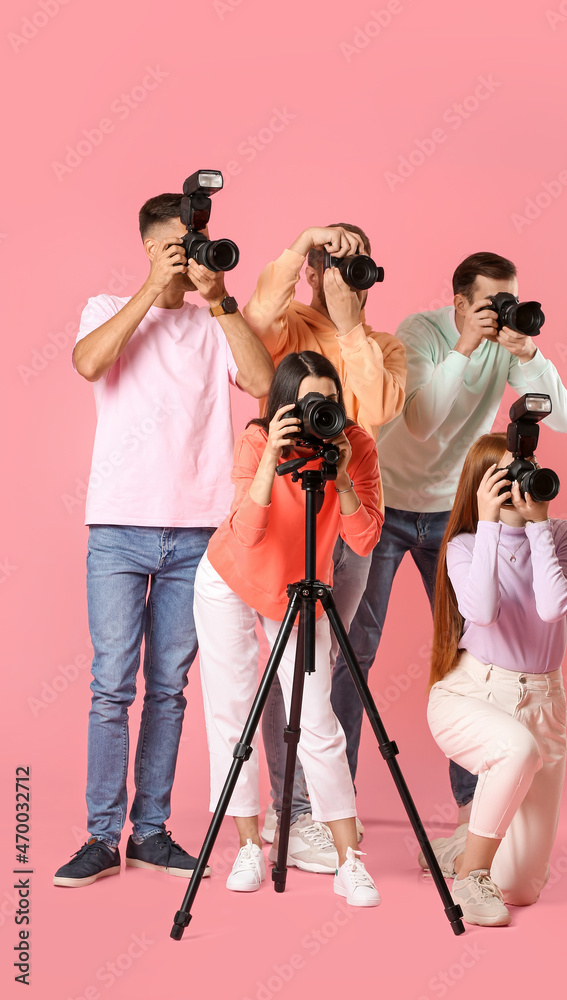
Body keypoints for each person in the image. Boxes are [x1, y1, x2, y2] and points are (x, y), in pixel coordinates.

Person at [53, 192, 274, 888]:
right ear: (150, 245)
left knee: (170, 689)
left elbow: (264, 382)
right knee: (111, 684)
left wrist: (222, 301)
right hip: (119, 525)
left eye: (199, 238)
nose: (191, 252)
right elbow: (89, 363)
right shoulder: (105, 306)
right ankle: (99, 837)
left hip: (199, 532)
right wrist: (151, 288)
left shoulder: (216, 321)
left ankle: (151, 832)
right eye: (178, 243)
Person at [333, 251, 567, 826]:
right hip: (388, 504)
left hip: (451, 512)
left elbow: (562, 417)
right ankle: (332, 802)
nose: (501, 312)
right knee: (355, 649)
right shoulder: (425, 333)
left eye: (508, 299)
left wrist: (531, 355)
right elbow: (421, 421)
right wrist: (466, 345)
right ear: (461, 303)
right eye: (490, 304)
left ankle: (474, 807)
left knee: (472, 652)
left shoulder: (506, 342)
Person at [243, 225, 406, 871]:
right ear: (311, 270)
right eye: (330, 263)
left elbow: (374, 408)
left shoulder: (384, 345)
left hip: (351, 512)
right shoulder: (291, 326)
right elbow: (254, 319)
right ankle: (290, 807)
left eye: (355, 261)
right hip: (289, 516)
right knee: (291, 660)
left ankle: (327, 801)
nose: (344, 272)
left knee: (341, 662)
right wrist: (302, 242)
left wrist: (350, 325)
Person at [194, 351, 383, 906]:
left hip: (299, 589)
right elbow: (246, 535)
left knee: (318, 718)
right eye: (304, 406)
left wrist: (342, 474)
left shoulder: (356, 446)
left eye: (326, 402)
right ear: (282, 406)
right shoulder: (258, 439)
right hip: (231, 577)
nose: (317, 414)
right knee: (232, 712)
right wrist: (270, 460)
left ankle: (350, 861)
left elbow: (365, 540)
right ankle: (252, 843)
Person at [418, 432, 567, 926]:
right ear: (483, 484)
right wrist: (489, 522)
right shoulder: (464, 546)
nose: (522, 483)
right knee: (515, 749)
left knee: (522, 890)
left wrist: (537, 525)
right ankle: (471, 875)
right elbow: (484, 612)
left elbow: (554, 606)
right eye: (509, 474)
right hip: (473, 692)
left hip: (544, 704)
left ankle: (456, 850)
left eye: (526, 469)